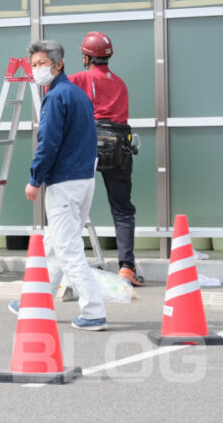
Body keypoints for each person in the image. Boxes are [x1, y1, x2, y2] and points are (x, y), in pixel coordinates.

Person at [13, 39, 107, 331]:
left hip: (64, 182)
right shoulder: (77, 95)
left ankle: (93, 311)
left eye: (42, 64)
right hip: (82, 179)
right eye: (34, 65)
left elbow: (48, 144)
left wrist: (34, 179)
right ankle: (37, 298)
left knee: (67, 250)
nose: (37, 69)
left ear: (58, 64)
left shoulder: (55, 98)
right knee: (55, 245)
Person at [68, 31, 143, 287]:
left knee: (73, 207)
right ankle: (126, 268)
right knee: (122, 209)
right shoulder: (120, 83)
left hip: (89, 144)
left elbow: (53, 93)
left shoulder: (79, 78)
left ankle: (70, 268)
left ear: (87, 56)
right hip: (119, 147)